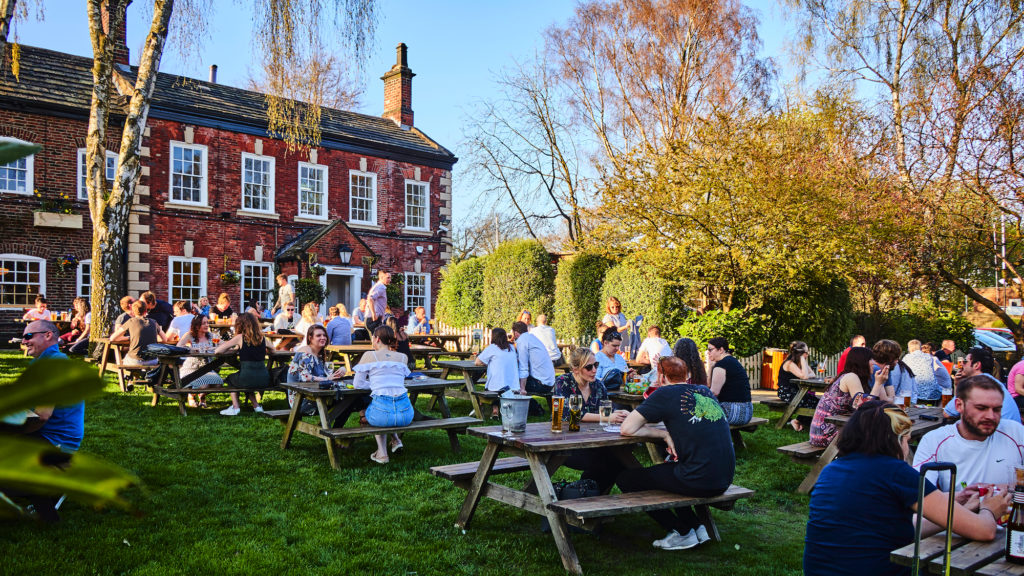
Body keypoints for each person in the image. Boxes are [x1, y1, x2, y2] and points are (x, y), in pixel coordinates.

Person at [804, 400, 1005, 576]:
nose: (907, 448)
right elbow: (984, 531)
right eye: (907, 440)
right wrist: (990, 508)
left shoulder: (831, 470)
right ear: (896, 440)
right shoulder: (895, 472)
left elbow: (897, 528)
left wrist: (957, 506)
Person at [618, 356, 734, 550]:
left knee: (626, 479)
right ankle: (697, 526)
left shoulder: (664, 393)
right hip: (723, 477)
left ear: (661, 377)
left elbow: (627, 429)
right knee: (667, 472)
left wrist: (663, 434)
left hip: (699, 478)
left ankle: (681, 532)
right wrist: (666, 433)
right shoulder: (704, 390)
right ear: (686, 375)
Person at [914, 375, 1024, 490]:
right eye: (981, 408)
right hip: (954, 503)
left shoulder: (1015, 432)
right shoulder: (934, 441)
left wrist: (998, 490)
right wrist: (973, 496)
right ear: (959, 405)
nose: (991, 416)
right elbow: (921, 495)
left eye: (997, 409)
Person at [553, 347, 629, 492]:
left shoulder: (598, 385)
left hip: (594, 441)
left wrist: (619, 414)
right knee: (613, 461)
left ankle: (591, 492)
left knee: (619, 460)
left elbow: (605, 411)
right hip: (566, 444)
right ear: (575, 369)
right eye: (589, 367)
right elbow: (570, 414)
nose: (594, 370)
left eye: (596, 365)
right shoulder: (563, 382)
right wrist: (608, 417)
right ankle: (588, 491)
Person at [354, 325, 414, 464]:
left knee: (369, 413)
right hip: (406, 414)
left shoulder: (369, 355)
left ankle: (382, 453)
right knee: (387, 411)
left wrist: (375, 385)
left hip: (381, 415)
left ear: (377, 339)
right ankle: (396, 439)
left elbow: (357, 384)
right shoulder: (402, 357)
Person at [809, 347, 892, 447]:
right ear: (862, 361)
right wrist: (878, 383)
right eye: (871, 359)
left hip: (822, 431)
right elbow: (864, 407)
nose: (874, 363)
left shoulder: (848, 376)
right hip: (826, 433)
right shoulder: (851, 377)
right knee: (880, 432)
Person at [942, 345, 1022, 423]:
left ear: (976, 365)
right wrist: (958, 385)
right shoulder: (992, 382)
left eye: (965, 361)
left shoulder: (974, 384)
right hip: (1011, 430)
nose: (962, 364)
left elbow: (947, 413)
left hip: (997, 431)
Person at [216, 313, 274, 415]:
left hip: (247, 377)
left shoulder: (240, 337)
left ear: (240, 325)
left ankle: (236, 407)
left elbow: (218, 351)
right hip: (264, 379)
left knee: (231, 379)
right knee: (245, 379)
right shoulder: (263, 338)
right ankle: (256, 406)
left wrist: (233, 350)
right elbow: (273, 351)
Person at [286, 323, 344, 417]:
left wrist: (342, 370)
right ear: (310, 338)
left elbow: (325, 375)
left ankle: (335, 425)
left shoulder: (318, 355)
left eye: (324, 335)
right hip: (301, 401)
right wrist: (327, 379)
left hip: (315, 395)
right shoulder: (305, 352)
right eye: (318, 335)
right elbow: (305, 377)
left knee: (350, 400)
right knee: (346, 401)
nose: (323, 337)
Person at [177, 315, 224, 408]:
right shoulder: (189, 335)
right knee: (204, 385)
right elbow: (178, 346)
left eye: (207, 323)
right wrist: (191, 349)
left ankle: (202, 395)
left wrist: (214, 348)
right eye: (204, 323)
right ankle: (191, 395)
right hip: (191, 368)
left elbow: (225, 344)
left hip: (206, 368)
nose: (207, 325)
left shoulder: (211, 336)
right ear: (197, 326)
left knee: (218, 384)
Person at [705, 337, 752, 426]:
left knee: (695, 414)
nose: (708, 352)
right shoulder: (731, 361)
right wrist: (710, 366)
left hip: (734, 411)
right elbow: (709, 384)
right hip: (746, 411)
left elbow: (714, 392)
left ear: (721, 350)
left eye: (710, 349)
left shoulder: (722, 365)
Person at [474, 327, 520, 417]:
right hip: (513, 386)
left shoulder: (492, 348)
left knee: (493, 385)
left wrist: (487, 363)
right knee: (498, 386)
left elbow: (477, 362)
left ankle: (495, 409)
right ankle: (497, 410)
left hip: (497, 387)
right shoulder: (511, 347)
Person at [109, 300, 166, 366]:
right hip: (153, 360)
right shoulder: (154, 322)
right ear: (146, 311)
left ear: (133, 312)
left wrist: (128, 338)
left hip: (135, 360)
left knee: (122, 361)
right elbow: (165, 339)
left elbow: (112, 338)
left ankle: (124, 373)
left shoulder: (131, 321)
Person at [777, 341, 818, 431]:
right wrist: (803, 360)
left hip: (796, 392)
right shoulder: (789, 363)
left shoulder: (800, 363)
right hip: (786, 392)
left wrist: (804, 369)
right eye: (806, 352)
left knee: (818, 402)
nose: (808, 354)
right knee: (813, 403)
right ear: (801, 353)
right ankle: (798, 421)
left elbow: (813, 374)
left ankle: (798, 420)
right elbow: (805, 376)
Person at [511, 321, 556, 395]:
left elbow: (523, 367)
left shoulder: (522, 340)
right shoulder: (532, 338)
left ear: (515, 333)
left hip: (540, 384)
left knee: (510, 383)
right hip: (550, 382)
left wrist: (522, 389)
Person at [902, 339, 951, 405]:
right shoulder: (929, 357)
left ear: (909, 349)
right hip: (933, 393)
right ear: (920, 348)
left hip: (914, 394)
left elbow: (903, 374)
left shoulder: (906, 358)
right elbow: (939, 372)